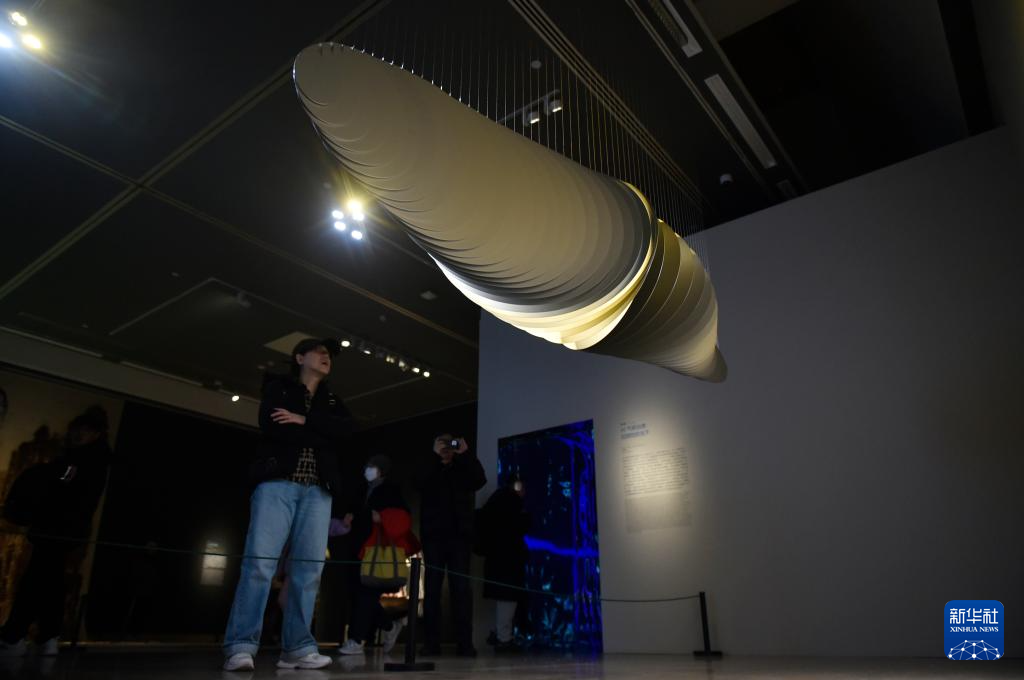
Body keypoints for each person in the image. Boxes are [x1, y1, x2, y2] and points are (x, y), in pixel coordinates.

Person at [222, 338, 352, 672]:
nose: (325, 357)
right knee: (259, 564)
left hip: (318, 491)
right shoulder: (278, 388)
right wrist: (318, 431)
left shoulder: (333, 400)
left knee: (309, 571)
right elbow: (274, 426)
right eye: (319, 352)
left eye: (328, 354)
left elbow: (346, 433)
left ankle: (297, 648)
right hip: (277, 484)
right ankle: (241, 645)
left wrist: (304, 420)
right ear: (299, 357)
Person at [0, 406, 112, 657]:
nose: (78, 434)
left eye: (84, 430)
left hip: (58, 529)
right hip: (63, 530)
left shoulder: (81, 461)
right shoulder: (91, 460)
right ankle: (43, 635)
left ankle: (17, 634)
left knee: (38, 579)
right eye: (77, 429)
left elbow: (63, 483)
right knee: (49, 581)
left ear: (95, 433)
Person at [338, 455, 420, 656]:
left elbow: (401, 517)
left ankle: (357, 639)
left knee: (365, 594)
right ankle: (390, 626)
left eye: (372, 466)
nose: (368, 469)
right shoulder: (360, 489)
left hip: (377, 550)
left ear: (381, 470)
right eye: (367, 465)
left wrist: (382, 517)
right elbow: (353, 510)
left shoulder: (391, 490)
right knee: (358, 594)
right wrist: (349, 518)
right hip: (358, 548)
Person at [416, 434, 486, 657]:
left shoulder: (463, 468)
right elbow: (418, 482)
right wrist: (433, 457)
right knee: (432, 590)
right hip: (433, 537)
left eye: (451, 444)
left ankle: (465, 644)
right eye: (442, 444)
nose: (447, 448)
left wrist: (465, 454)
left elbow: (479, 480)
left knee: (461, 590)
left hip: (459, 537)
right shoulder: (430, 468)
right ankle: (431, 643)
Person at [479, 477, 531, 652]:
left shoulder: (497, 501)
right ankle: (504, 638)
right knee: (508, 597)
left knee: (505, 598)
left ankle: (501, 634)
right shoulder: (510, 502)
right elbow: (518, 526)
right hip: (508, 560)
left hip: (499, 559)